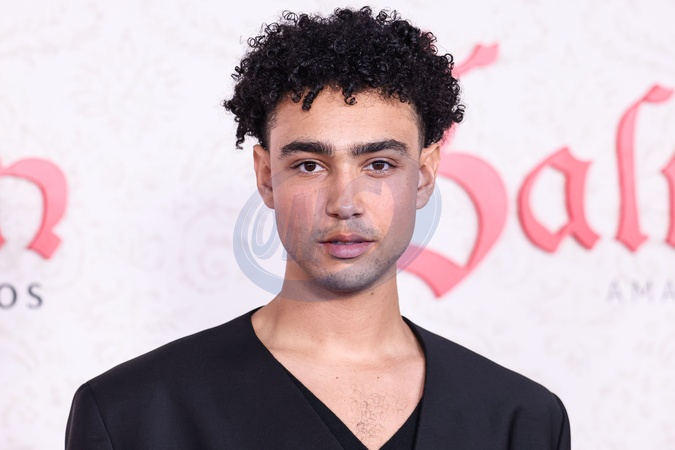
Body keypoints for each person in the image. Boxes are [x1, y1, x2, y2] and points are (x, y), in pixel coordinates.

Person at [65, 7, 570, 449]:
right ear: (266, 176)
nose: (344, 204)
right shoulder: (132, 414)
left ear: (424, 175)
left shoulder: (522, 419)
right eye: (310, 165)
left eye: (378, 165)